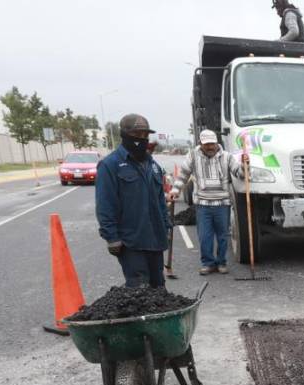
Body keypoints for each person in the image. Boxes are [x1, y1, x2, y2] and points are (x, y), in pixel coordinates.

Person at [96, 114, 171, 288]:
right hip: (131, 241)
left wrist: (166, 226)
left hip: (155, 239)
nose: (141, 139)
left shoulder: (153, 166)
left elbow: (160, 200)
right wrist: (111, 237)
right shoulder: (110, 165)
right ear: (125, 134)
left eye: (145, 135)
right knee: (139, 289)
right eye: (137, 134)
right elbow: (105, 204)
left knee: (158, 287)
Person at [171, 130, 240, 276]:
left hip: (222, 204)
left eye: (212, 143)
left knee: (222, 236)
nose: (210, 147)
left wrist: (245, 166)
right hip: (202, 204)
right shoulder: (193, 156)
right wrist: (175, 190)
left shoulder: (227, 157)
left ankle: (221, 262)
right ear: (201, 144)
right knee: (204, 236)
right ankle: (208, 263)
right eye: (206, 144)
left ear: (216, 143)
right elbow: (183, 174)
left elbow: (238, 173)